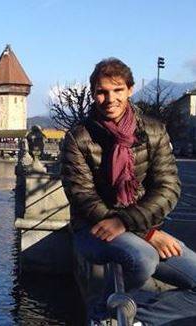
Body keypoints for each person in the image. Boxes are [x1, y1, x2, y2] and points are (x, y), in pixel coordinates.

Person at [61, 58, 196, 325]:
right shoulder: (79, 137)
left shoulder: (154, 131)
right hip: (92, 229)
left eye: (117, 90)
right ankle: (108, 314)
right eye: (102, 91)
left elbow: (168, 188)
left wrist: (133, 225)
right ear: (93, 94)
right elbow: (82, 196)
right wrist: (146, 233)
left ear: (130, 89)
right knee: (143, 258)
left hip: (142, 227)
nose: (109, 98)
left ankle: (130, 314)